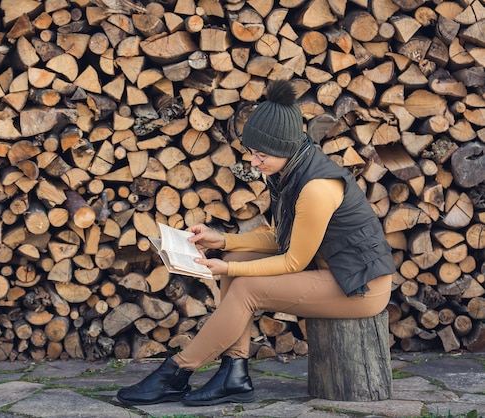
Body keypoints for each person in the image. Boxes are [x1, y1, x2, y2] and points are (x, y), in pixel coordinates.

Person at [116, 79, 396, 407]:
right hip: (333, 271)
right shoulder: (290, 171)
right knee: (240, 259)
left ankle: (175, 372)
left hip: (360, 287)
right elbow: (281, 238)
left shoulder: (316, 188)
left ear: (285, 149)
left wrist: (230, 265)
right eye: (251, 152)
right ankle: (234, 374)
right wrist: (223, 241)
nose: (253, 162)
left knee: (247, 286)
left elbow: (292, 261)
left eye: (261, 154)